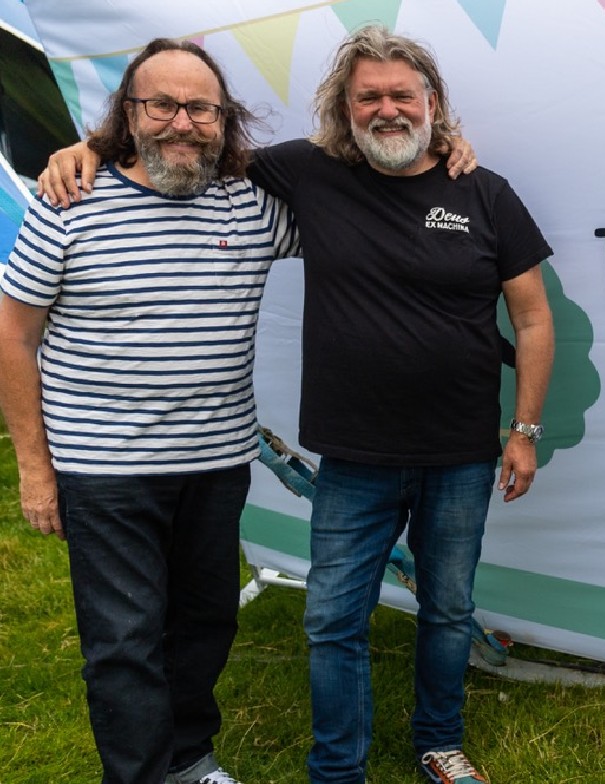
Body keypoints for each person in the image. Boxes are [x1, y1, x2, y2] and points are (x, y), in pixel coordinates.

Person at [39, 24, 555, 784]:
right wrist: (85, 146)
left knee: (448, 610)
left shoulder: (482, 190)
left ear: (433, 103)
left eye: (402, 95)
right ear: (343, 108)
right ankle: (336, 769)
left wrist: (525, 430)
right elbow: (185, 142)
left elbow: (534, 318)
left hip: (460, 453)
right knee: (332, 621)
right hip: (353, 459)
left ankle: (438, 742)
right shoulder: (310, 174)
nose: (386, 109)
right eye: (367, 96)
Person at [0, 39, 299, 784]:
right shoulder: (69, 201)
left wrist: (443, 145)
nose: (181, 123)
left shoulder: (253, 206)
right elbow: (12, 332)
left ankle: (189, 759)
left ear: (224, 119)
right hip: (105, 473)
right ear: (126, 115)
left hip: (216, 463)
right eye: (160, 104)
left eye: (200, 107)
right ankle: (137, 774)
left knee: (205, 624)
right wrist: (36, 471)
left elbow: (361, 214)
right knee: (125, 641)